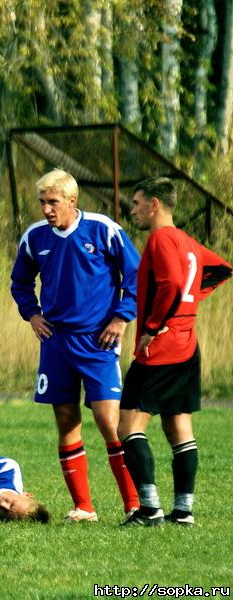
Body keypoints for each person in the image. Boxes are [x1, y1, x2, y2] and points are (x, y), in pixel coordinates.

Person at [10, 168, 140, 522]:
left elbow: (135, 275)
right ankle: (84, 506)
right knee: (66, 420)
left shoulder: (102, 229)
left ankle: (134, 503)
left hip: (98, 341)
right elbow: (20, 282)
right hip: (56, 343)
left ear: (72, 200)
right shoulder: (35, 237)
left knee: (109, 421)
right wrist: (32, 315)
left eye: (53, 202)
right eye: (42, 202)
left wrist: (121, 316)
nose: (46, 209)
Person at [118, 177, 231, 527]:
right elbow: (222, 269)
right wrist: (190, 305)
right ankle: (183, 511)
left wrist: (152, 327)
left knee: (128, 426)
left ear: (154, 204)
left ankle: (149, 509)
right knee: (178, 425)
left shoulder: (161, 238)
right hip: (187, 344)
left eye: (136, 203)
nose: (132, 210)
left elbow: (170, 284)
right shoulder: (187, 241)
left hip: (162, 348)